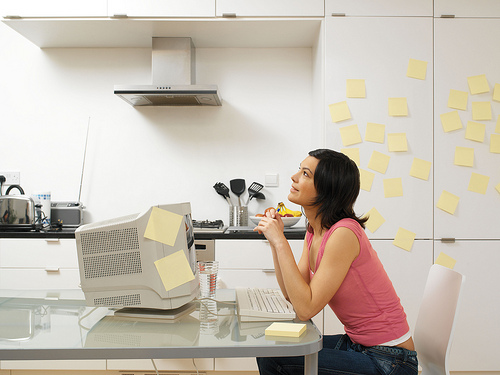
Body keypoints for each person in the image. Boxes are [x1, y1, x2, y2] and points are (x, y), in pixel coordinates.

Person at [253, 149, 418, 375]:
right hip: (359, 346)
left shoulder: (344, 233)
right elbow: (294, 296)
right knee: (270, 347)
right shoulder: (314, 230)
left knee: (275, 358)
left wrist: (281, 242)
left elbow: (305, 310)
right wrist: (275, 241)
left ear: (327, 189)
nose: (294, 177)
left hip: (390, 360)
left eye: (305, 174)